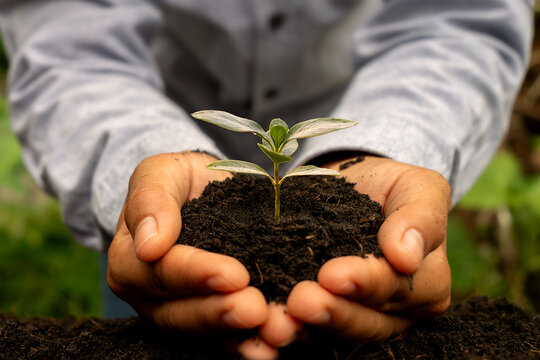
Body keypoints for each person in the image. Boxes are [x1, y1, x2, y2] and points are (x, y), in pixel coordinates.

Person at [0, 1, 534, 359]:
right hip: (149, 154)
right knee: (157, 307)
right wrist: (138, 160)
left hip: (361, 109)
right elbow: (66, 34)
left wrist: (381, 149)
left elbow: (460, 18)